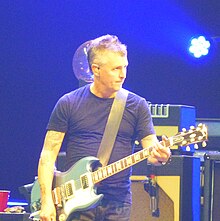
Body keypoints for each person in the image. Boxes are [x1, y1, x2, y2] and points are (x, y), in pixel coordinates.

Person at [38, 34, 171, 221]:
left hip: (117, 203)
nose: (123, 74)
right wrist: (46, 201)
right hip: (73, 200)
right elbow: (47, 155)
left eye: (125, 67)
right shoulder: (68, 103)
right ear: (96, 69)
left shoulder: (137, 105)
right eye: (116, 68)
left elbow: (151, 149)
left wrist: (161, 156)